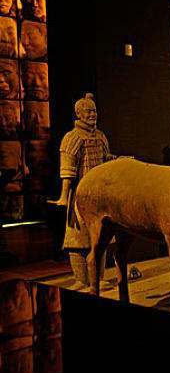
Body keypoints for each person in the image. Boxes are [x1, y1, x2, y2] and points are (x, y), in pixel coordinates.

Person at [48, 93, 116, 290]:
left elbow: (103, 159)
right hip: (79, 194)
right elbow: (67, 170)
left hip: (99, 195)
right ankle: (80, 279)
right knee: (77, 239)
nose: (93, 114)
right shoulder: (72, 138)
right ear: (78, 113)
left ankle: (98, 278)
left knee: (100, 236)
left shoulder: (100, 136)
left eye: (94, 111)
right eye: (88, 111)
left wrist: (116, 160)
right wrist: (64, 196)